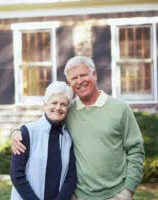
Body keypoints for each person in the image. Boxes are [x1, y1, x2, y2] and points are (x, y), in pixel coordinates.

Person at [11, 56, 145, 200]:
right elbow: (44, 122)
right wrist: (16, 133)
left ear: (94, 75)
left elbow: (136, 150)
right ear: (70, 83)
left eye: (83, 75)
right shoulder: (68, 109)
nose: (79, 81)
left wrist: (127, 191)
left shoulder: (120, 108)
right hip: (78, 196)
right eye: (74, 78)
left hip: (115, 195)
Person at [10, 81, 77, 200]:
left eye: (63, 104)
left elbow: (70, 177)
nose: (58, 107)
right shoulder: (27, 133)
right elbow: (17, 175)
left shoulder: (68, 138)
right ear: (45, 104)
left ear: (68, 108)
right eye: (54, 102)